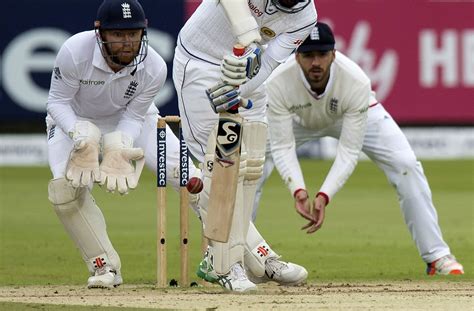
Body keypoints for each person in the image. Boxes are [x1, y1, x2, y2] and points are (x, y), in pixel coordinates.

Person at [254, 22, 464, 276]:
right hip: (298, 122)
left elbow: (349, 151)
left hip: (351, 114)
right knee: (251, 164)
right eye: (308, 56)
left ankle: (437, 256)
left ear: (334, 54)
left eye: (322, 54)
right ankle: (237, 255)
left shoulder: (355, 80)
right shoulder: (278, 82)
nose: (316, 63)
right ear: (296, 57)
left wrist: (323, 195)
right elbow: (283, 145)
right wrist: (298, 190)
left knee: (406, 165)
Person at [46, 0, 198, 289]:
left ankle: (241, 259)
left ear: (144, 32)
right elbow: (57, 102)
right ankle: (104, 266)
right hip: (74, 120)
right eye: (118, 34)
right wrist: (80, 135)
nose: (127, 42)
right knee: (65, 192)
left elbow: (134, 115)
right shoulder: (74, 52)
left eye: (134, 33)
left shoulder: (153, 65)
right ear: (100, 32)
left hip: (130, 120)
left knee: (190, 176)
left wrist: (119, 146)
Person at [173, 0, 317, 292]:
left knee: (249, 169)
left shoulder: (305, 17)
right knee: (219, 168)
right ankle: (225, 263)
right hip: (200, 62)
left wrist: (237, 87)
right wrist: (249, 34)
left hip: (244, 76)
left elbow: (267, 65)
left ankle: (254, 258)